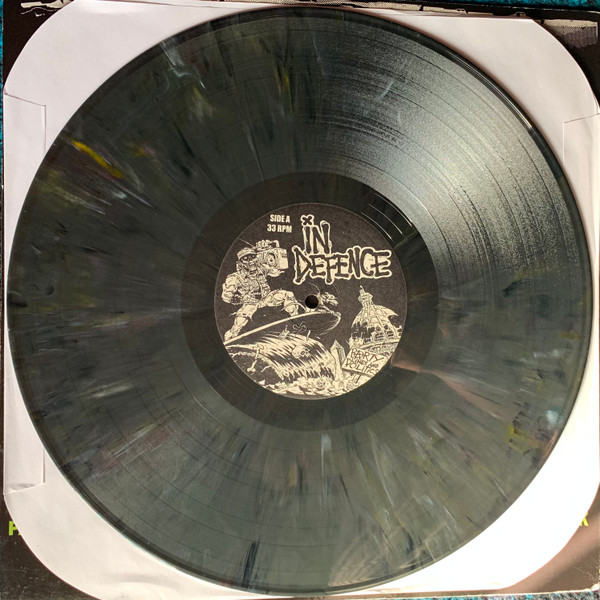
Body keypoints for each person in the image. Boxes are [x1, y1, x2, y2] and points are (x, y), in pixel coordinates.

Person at [222, 242, 300, 341]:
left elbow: (277, 269)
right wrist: (235, 299)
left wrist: (270, 250)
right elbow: (226, 295)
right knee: (240, 321)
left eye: (252, 257)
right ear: (240, 263)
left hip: (266, 298)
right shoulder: (235, 277)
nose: (250, 261)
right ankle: (230, 337)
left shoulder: (261, 269)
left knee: (288, 294)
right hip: (250, 302)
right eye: (246, 259)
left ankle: (296, 320)